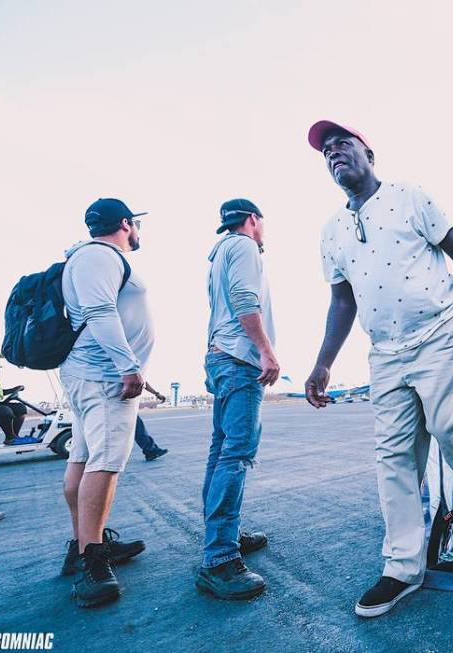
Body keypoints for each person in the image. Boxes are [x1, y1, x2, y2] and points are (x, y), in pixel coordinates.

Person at [305, 121, 453, 618]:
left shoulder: (410, 196)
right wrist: (323, 362)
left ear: (368, 152)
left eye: (343, 145)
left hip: (440, 332)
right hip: (386, 352)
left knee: (452, 426)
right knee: (393, 457)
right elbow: (341, 301)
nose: (335, 154)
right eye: (327, 152)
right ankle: (401, 568)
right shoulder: (331, 231)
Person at [59, 198, 153, 608]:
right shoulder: (99, 255)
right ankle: (92, 563)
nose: (137, 232)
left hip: (91, 373)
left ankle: (84, 544)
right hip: (103, 377)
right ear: (126, 223)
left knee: (82, 456)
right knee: (106, 461)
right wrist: (128, 366)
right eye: (135, 225)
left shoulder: (88, 258)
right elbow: (100, 310)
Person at [196, 198, 276, 600]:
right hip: (239, 358)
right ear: (252, 220)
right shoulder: (243, 245)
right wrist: (266, 350)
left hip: (219, 356)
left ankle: (223, 535)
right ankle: (220, 557)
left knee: (221, 451)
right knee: (237, 453)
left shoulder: (219, 254)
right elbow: (246, 301)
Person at [134, 382, 168, 461]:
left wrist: (156, 393)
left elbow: (142, 381)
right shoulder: (125, 370)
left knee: (137, 425)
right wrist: (156, 394)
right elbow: (141, 380)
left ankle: (150, 450)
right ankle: (150, 450)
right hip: (118, 403)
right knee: (137, 426)